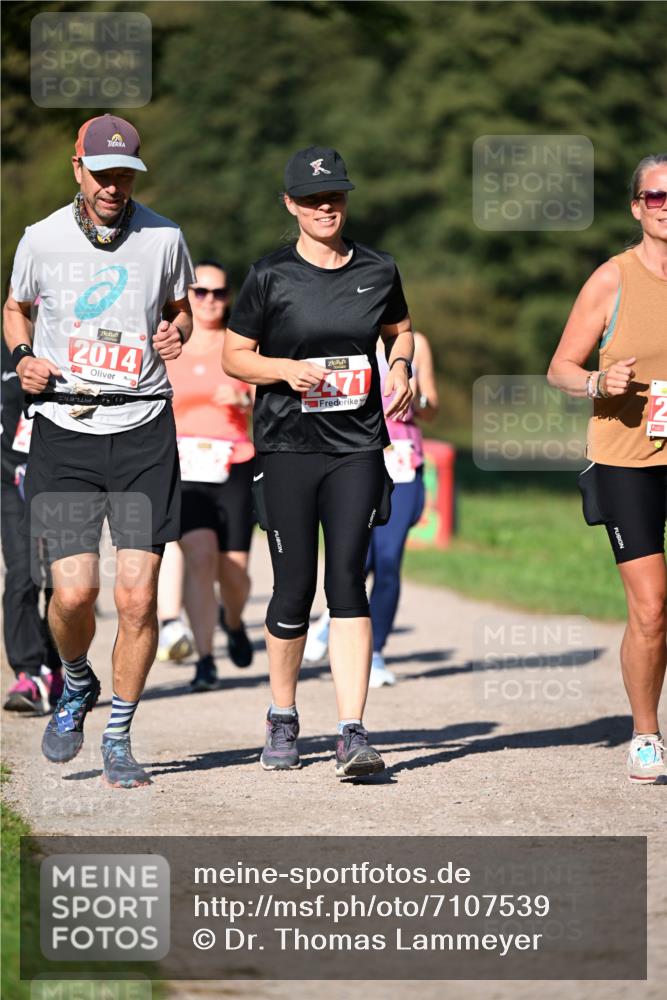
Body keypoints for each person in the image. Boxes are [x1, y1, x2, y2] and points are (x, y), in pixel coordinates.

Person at [2, 114, 194, 788]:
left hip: (142, 431)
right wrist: (23, 356)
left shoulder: (164, 236)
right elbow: (14, 306)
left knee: (138, 598)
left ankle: (118, 735)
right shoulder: (42, 239)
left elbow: (180, 308)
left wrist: (177, 332)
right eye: (102, 172)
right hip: (65, 430)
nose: (113, 186)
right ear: (76, 167)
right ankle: (76, 682)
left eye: (125, 174)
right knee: (74, 592)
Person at [223, 145, 414, 778]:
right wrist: (284, 371)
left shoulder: (379, 268)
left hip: (356, 448)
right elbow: (234, 356)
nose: (324, 207)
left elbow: (400, 329)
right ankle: (282, 716)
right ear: (291, 205)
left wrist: (404, 365)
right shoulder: (269, 274)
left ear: (346, 199)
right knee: (294, 586)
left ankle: (353, 731)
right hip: (285, 449)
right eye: (310, 199)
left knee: (347, 584)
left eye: (333, 195)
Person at [547, 153, 667, 783]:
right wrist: (598, 378)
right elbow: (559, 368)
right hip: (627, 461)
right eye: (656, 197)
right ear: (636, 207)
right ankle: (646, 734)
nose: (666, 206)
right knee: (650, 607)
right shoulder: (612, 279)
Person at [304, 331, 439, 686]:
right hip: (357, 462)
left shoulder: (416, 344)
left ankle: (375, 652)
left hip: (406, 462)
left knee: (390, 560)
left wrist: (418, 398)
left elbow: (432, 406)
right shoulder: (341, 338)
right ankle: (332, 622)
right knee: (358, 560)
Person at [164, 259, 255, 690]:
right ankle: (205, 658)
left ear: (229, 297)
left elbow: (271, 391)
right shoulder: (169, 345)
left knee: (233, 571)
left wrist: (244, 397)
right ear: (188, 297)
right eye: (199, 292)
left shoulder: (241, 346)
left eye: (218, 293)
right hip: (184, 467)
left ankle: (233, 621)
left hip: (234, 464)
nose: (209, 301)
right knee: (198, 557)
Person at [1, 338, 62, 714]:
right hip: (10, 479)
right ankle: (26, 673)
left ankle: (58, 666)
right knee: (22, 573)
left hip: (65, 477)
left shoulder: (70, 342)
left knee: (62, 580)